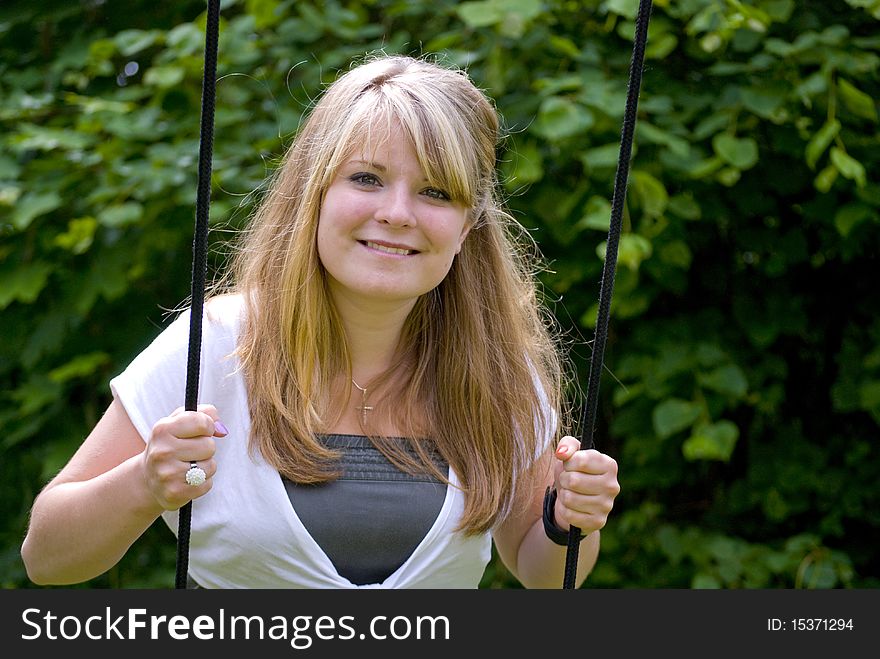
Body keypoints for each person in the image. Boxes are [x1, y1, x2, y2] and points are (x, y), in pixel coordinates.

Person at [21, 53, 619, 589]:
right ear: (315, 195)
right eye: (367, 179)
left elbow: (545, 575)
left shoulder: (498, 376)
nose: (397, 214)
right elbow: (47, 558)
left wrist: (572, 522)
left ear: (467, 227)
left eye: (437, 192)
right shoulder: (217, 346)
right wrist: (143, 484)